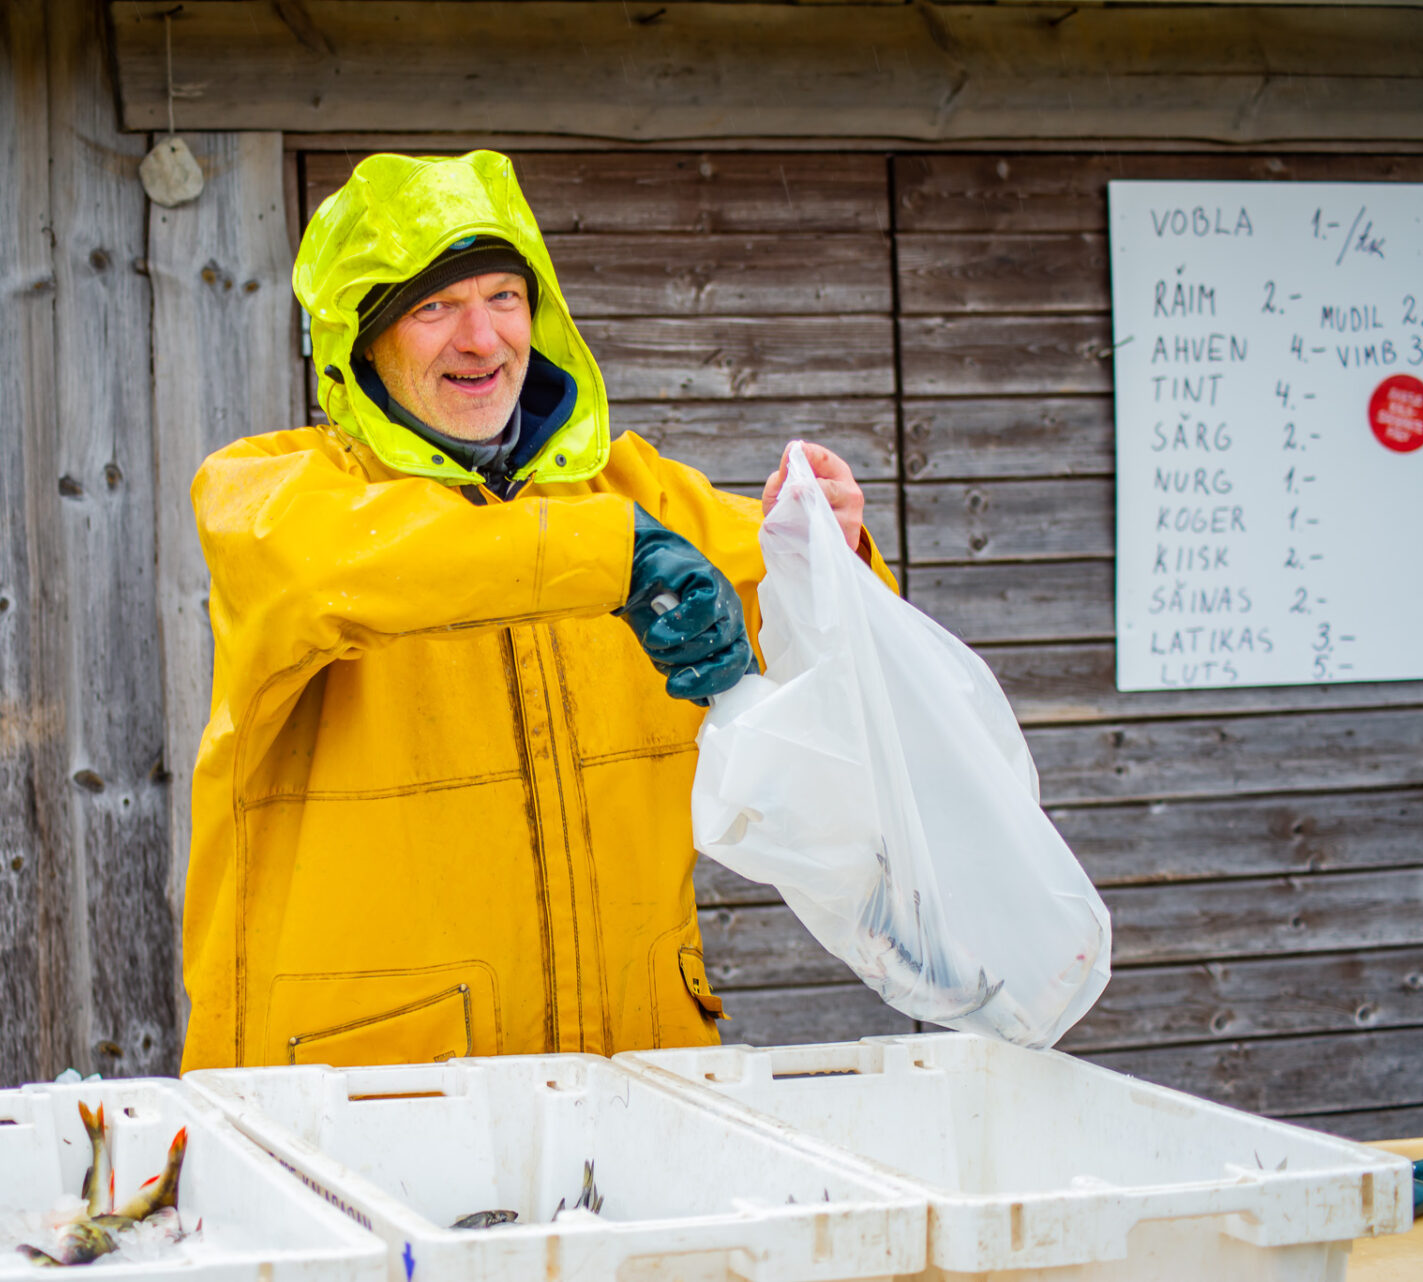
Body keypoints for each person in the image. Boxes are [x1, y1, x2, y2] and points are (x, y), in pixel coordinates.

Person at [180, 150, 896, 1071]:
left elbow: (839, 671)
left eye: (504, 298)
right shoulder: (275, 498)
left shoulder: (642, 495)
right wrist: (613, 555)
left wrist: (833, 553)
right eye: (433, 307)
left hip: (635, 1074)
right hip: (366, 1097)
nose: (481, 339)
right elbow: (352, 571)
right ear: (361, 341)